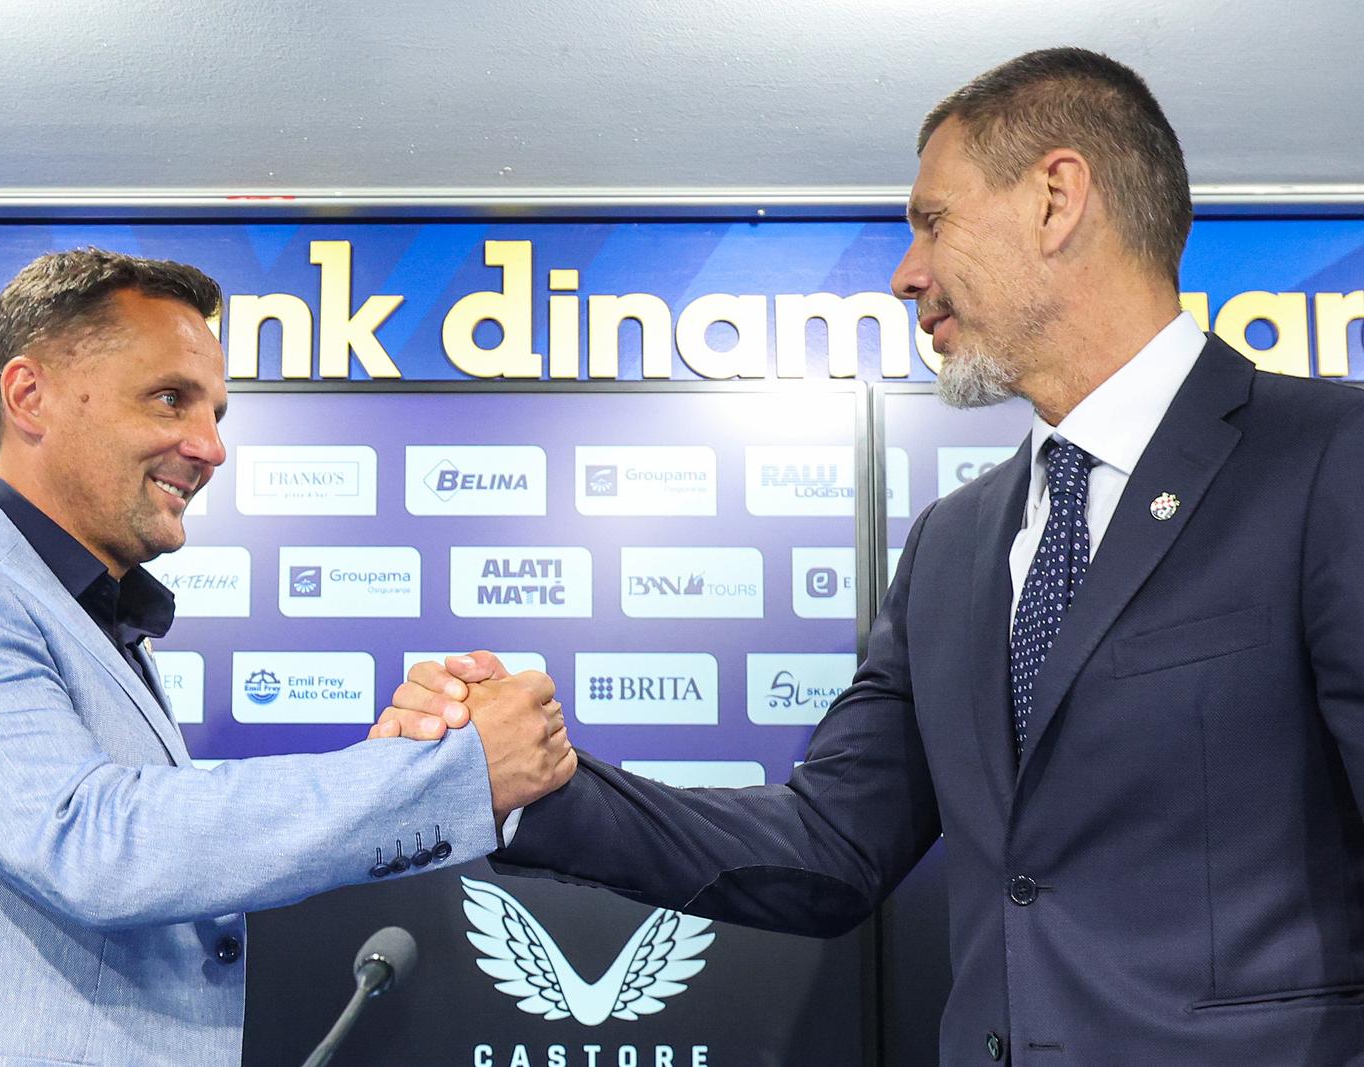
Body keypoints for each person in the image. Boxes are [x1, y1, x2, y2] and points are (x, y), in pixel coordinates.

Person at [377, 48, 1364, 1063]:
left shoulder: (1330, 459)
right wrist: (537, 785)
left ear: (1056, 198)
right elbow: (826, 846)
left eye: (932, 220)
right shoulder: (955, 544)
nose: (906, 274)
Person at [0, 248, 575, 1066]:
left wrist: (398, 762)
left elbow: (162, 844)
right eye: (171, 399)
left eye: (217, 414)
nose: (210, 448)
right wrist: (449, 773)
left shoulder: (88, 613)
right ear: (30, 396)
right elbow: (93, 846)